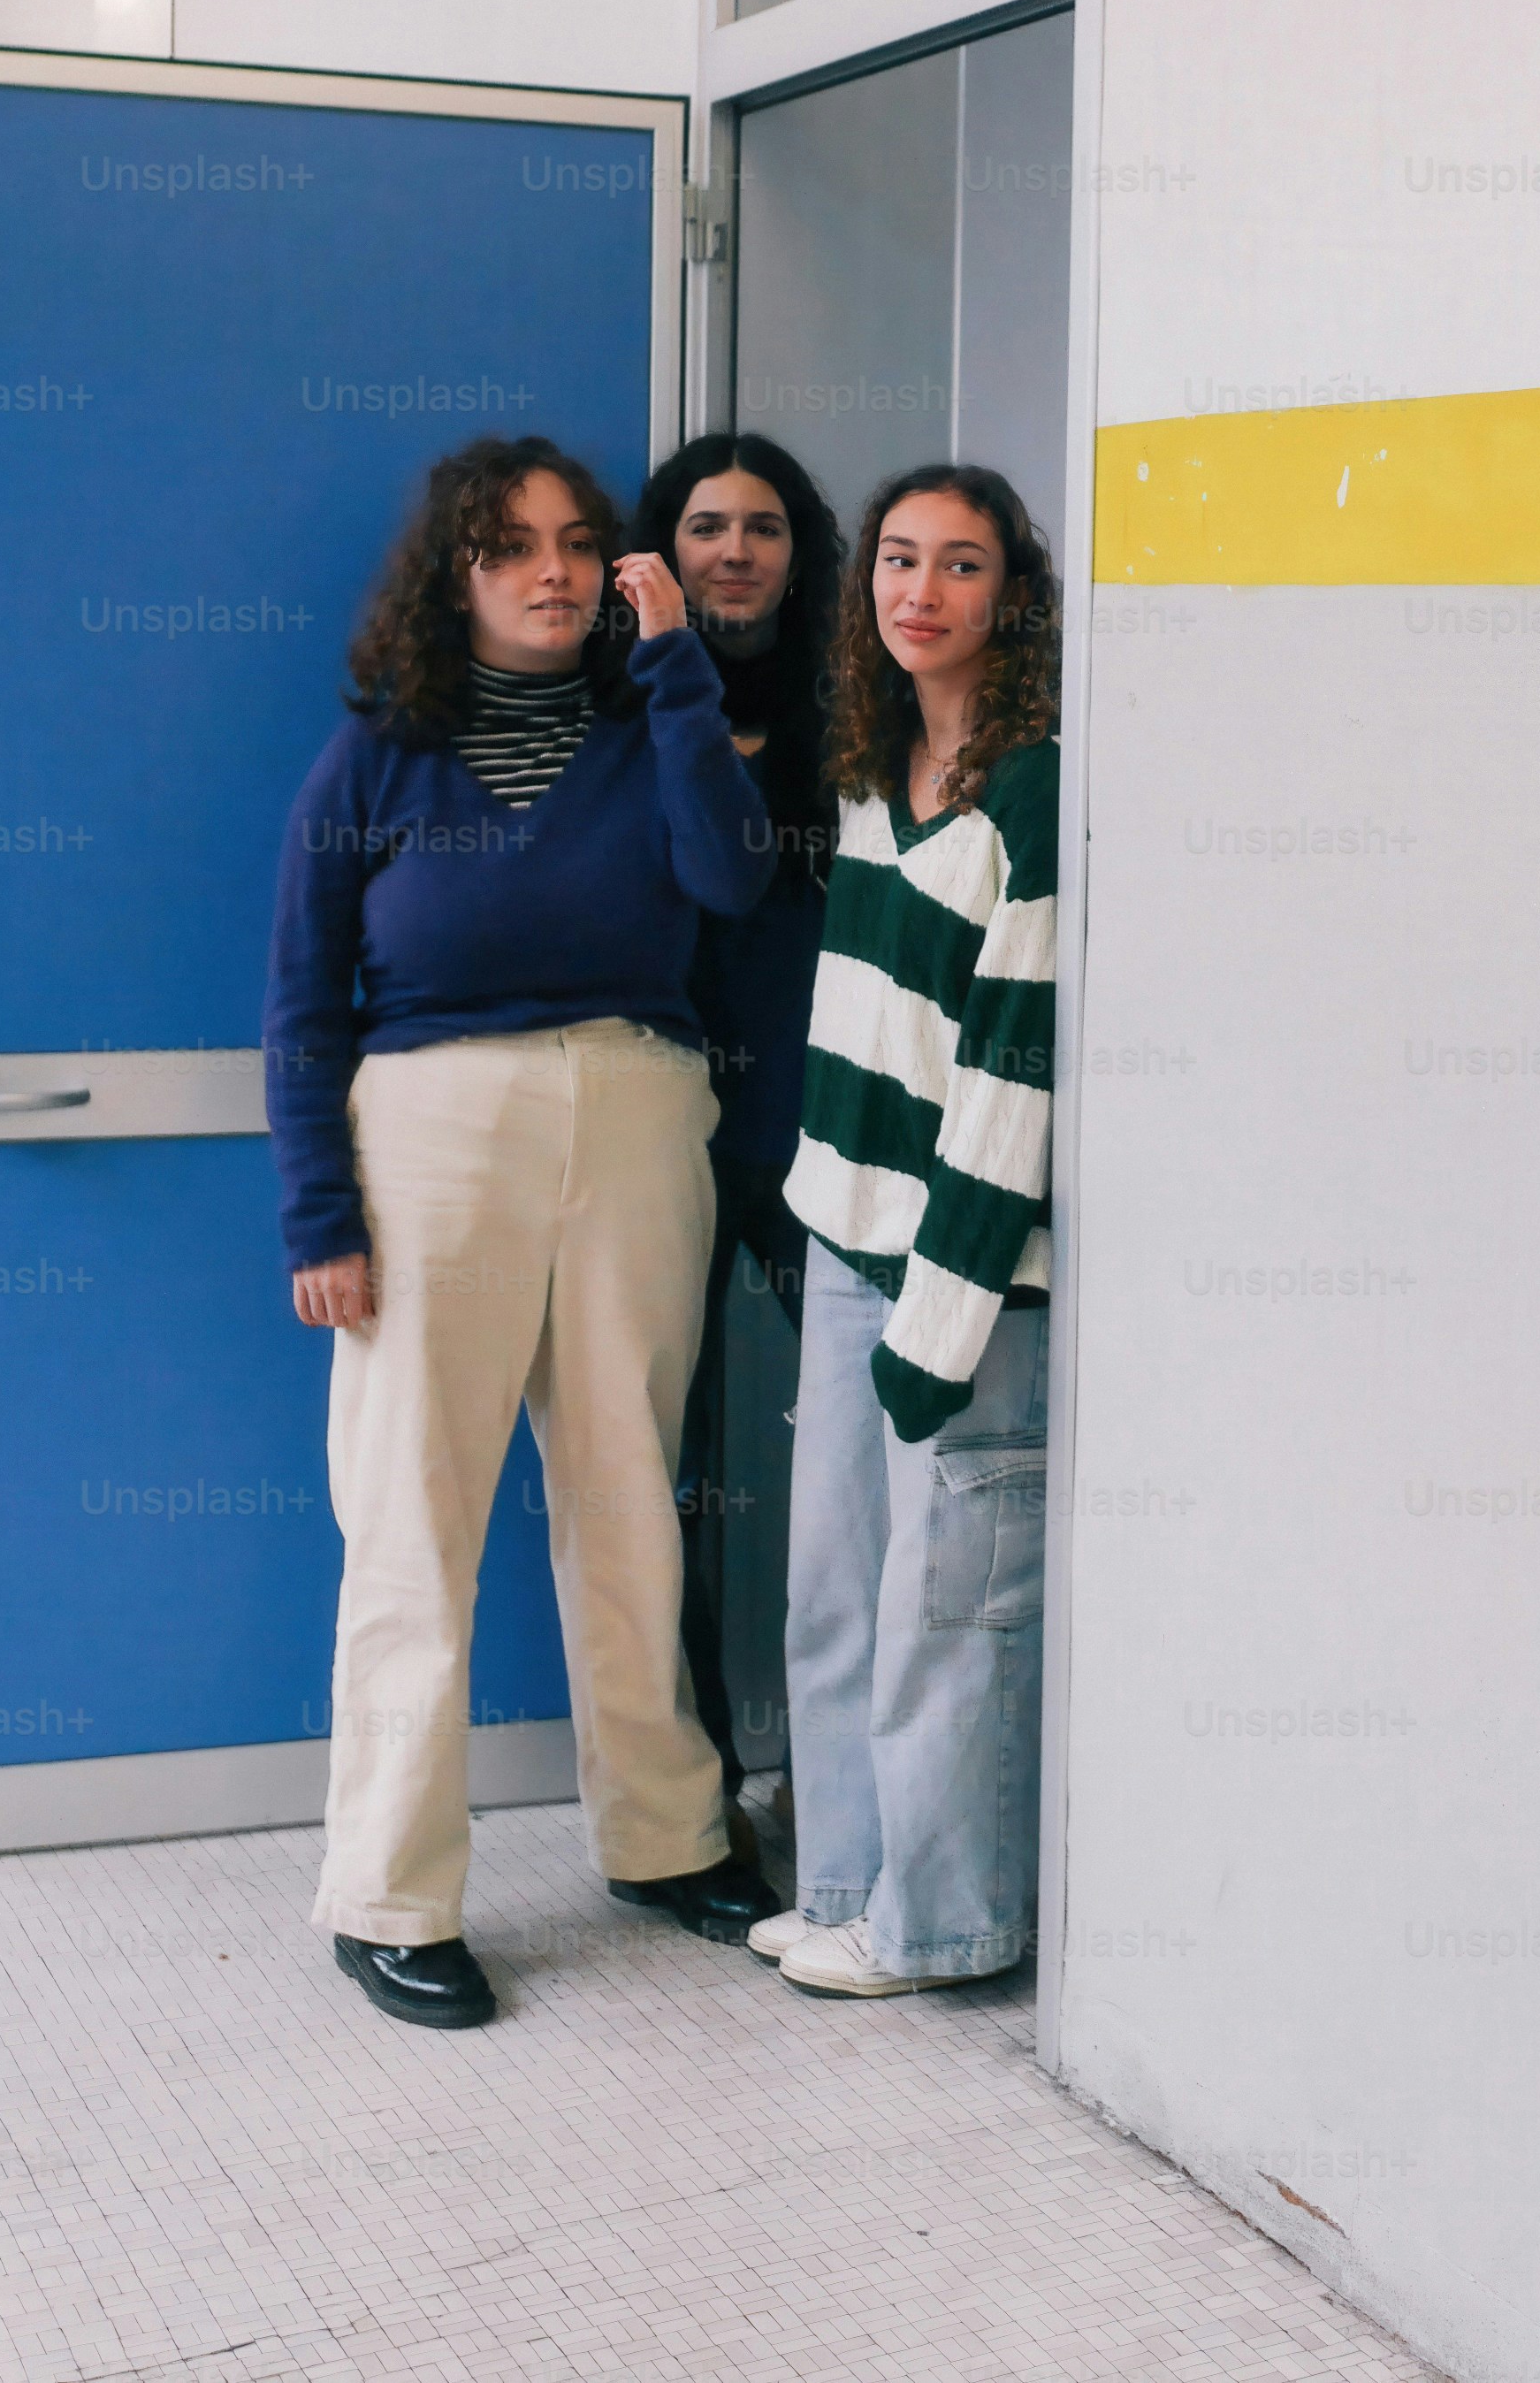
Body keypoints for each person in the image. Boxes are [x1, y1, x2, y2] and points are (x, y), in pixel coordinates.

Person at [264, 433, 781, 2031]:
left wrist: (678, 668)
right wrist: (319, 1213)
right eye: (512, 548)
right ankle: (389, 1895)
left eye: (576, 543)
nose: (552, 572)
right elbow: (298, 999)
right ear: (457, 575)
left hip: (635, 1115)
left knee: (632, 1495)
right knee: (414, 1519)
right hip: (432, 1133)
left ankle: (669, 1836)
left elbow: (732, 881)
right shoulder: (375, 756)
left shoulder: (656, 726)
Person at [754, 462, 1064, 1998]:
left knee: (948, 1614)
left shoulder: (1035, 795)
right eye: (895, 559)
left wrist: (942, 1321)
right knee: (834, 1583)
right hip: (847, 1239)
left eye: (957, 565)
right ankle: (843, 1887)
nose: (916, 590)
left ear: (1010, 597)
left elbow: (1016, 1072)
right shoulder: (872, 772)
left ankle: (936, 1929)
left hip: (967, 1274)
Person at [626, 432, 846, 1825]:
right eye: (707, 525)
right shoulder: (619, 702)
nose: (736, 552)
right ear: (662, 548)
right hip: (655, 1125)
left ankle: (842, 1781)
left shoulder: (854, 703)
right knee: (665, 1476)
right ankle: (690, 1792)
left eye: (763, 527)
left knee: (846, 1451)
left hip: (814, 1127)